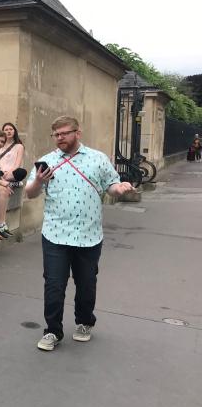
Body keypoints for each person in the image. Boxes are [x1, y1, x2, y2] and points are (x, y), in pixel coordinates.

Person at [25, 116, 134, 351]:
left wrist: (120, 189)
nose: (60, 138)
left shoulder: (97, 159)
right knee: (54, 284)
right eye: (56, 134)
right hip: (55, 234)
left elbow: (111, 186)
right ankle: (53, 330)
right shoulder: (46, 161)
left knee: (86, 283)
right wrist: (38, 182)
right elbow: (30, 193)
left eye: (64, 133)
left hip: (89, 235)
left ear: (78, 133)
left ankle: (84, 322)